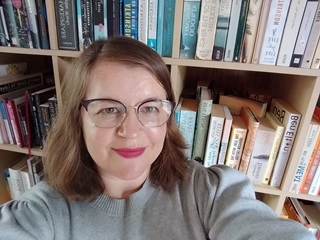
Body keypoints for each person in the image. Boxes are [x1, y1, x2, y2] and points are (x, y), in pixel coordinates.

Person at [0, 36, 316, 240]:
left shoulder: (210, 193)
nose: (132, 130)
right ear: (77, 118)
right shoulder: (44, 210)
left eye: (149, 108)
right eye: (109, 109)